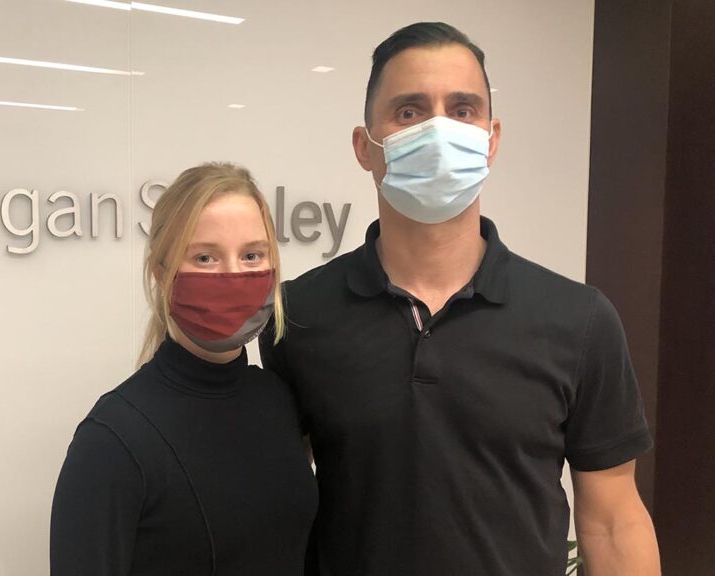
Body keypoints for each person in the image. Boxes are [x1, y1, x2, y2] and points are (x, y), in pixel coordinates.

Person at [260, 22, 660, 576]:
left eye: (463, 109)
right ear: (364, 147)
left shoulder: (580, 320)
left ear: (491, 139)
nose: (439, 131)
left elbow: (613, 523)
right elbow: (277, 509)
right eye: (409, 112)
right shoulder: (297, 317)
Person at [50, 162, 317, 576]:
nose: (233, 274)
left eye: (252, 255)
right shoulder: (113, 438)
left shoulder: (279, 400)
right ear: (162, 273)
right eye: (205, 257)